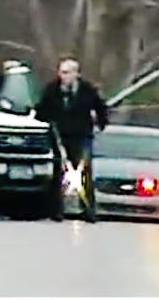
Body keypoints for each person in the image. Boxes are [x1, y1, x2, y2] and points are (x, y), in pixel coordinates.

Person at [34, 56, 109, 222]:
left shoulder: (87, 90)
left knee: (84, 172)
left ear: (76, 73)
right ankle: (56, 210)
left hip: (81, 135)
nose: (63, 76)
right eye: (61, 72)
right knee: (59, 172)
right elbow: (42, 109)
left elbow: (100, 107)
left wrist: (101, 124)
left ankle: (88, 209)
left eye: (67, 73)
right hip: (59, 135)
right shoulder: (52, 89)